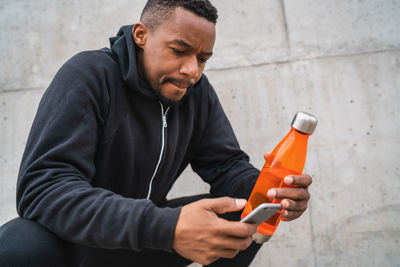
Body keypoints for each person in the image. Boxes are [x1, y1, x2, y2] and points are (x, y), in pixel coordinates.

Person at [0, 1, 312, 266]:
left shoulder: (197, 93)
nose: (193, 70)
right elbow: (42, 188)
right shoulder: (89, 74)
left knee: (241, 213)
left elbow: (226, 165)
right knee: (17, 247)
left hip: (145, 243)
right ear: (141, 35)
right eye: (179, 50)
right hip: (80, 242)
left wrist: (270, 192)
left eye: (202, 59)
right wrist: (165, 226)